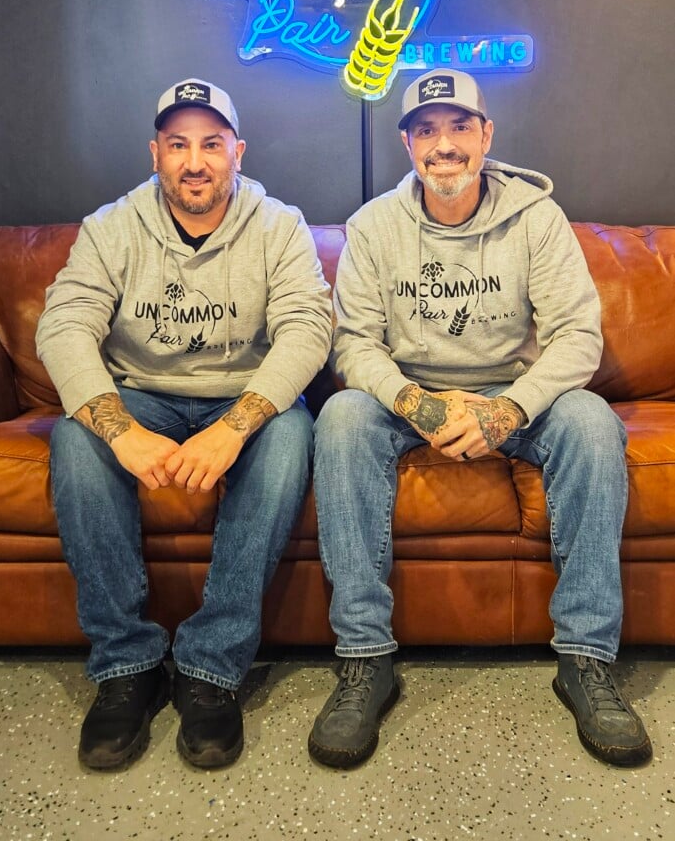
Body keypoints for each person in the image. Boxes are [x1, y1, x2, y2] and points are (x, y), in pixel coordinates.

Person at [307, 68, 652, 770]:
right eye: (426, 130)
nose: (443, 145)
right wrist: (416, 404)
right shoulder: (373, 225)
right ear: (407, 144)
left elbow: (577, 338)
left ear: (486, 135)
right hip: (411, 400)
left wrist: (507, 408)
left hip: (516, 395)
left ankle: (584, 657)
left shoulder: (536, 218)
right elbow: (353, 344)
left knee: (590, 421)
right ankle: (364, 658)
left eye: (459, 126)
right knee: (341, 416)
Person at [36, 78, 332, 771]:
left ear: (237, 151)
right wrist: (120, 430)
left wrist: (234, 427)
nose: (193, 160)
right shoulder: (110, 226)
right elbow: (64, 325)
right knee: (76, 439)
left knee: (289, 436)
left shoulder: (277, 224)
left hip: (244, 397)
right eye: (177, 145)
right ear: (154, 154)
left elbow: (306, 330)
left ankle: (209, 668)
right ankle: (125, 667)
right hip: (142, 395)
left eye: (210, 143)